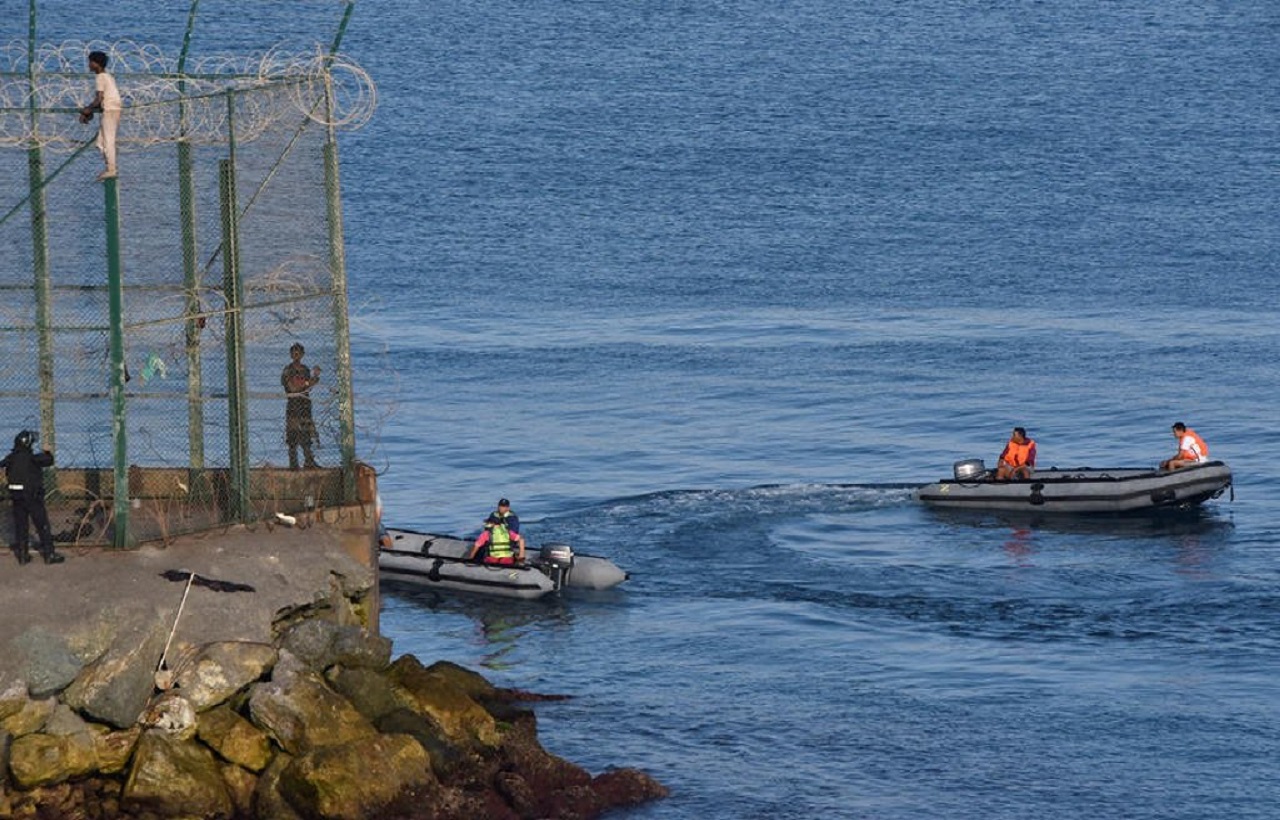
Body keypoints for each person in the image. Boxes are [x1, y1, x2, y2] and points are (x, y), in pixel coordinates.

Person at [0, 430, 65, 565]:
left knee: (21, 525)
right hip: (32, 497)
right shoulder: (33, 458)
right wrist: (47, 451)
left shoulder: (11, 457)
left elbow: (2, 463)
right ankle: (49, 554)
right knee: (42, 524)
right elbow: (49, 460)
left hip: (16, 497)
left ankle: (23, 556)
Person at [80, 50, 122, 181]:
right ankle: (109, 166)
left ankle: (111, 169)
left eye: (90, 62)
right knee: (100, 142)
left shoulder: (100, 77)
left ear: (96, 64)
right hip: (113, 108)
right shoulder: (107, 76)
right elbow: (103, 99)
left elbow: (99, 98)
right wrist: (91, 110)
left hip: (110, 110)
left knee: (108, 141)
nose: (89, 65)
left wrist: (88, 109)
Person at [281, 343, 320, 470]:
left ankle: (309, 461)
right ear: (291, 354)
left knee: (306, 434)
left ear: (302, 354)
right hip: (293, 405)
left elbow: (307, 387)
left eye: (298, 353)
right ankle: (293, 464)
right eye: (294, 353)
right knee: (292, 434)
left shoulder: (305, 370)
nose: (296, 356)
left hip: (304, 405)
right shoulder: (287, 370)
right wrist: (309, 383)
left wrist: (314, 378)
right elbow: (292, 388)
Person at [467, 498, 525, 564]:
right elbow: (487, 527)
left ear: (508, 508)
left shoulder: (512, 518)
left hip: (507, 540)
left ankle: (476, 560)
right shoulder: (493, 514)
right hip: (498, 538)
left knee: (481, 544)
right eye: (500, 506)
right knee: (483, 544)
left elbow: (514, 532)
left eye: (504, 506)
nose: (501, 508)